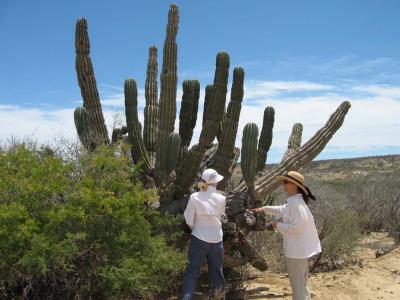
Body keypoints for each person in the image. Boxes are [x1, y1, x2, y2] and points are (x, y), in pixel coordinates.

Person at [252, 171, 321, 300]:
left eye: (286, 182)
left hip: (296, 252)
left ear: (294, 185)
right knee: (301, 284)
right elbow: (282, 209)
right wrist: (264, 209)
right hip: (299, 252)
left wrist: (277, 225)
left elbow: (297, 228)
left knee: (297, 287)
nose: (283, 185)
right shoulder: (295, 203)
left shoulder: (295, 204)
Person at [182, 168, 226, 300]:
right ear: (216, 182)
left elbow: (189, 219)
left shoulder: (194, 197)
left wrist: (194, 227)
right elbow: (221, 216)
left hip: (199, 238)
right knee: (217, 273)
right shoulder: (222, 198)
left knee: (192, 272)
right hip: (216, 239)